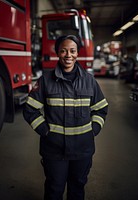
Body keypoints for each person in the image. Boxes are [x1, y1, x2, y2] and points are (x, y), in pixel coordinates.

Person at [23, 35, 108, 200]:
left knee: (77, 188)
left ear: (77, 53)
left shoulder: (90, 81)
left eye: (72, 51)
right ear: (57, 53)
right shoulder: (46, 81)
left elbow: (101, 108)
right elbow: (30, 109)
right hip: (54, 150)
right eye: (63, 51)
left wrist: (93, 130)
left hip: (82, 150)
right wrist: (44, 131)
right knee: (54, 189)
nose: (68, 55)